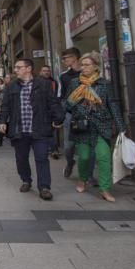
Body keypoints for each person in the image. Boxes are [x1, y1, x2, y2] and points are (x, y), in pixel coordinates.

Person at [0, 58, 65, 200]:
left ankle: (44, 187)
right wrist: (2, 121)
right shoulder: (11, 87)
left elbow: (53, 103)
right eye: (15, 67)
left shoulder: (44, 84)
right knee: (21, 158)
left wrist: (58, 118)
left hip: (39, 128)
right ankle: (26, 180)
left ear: (28, 69)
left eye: (18, 67)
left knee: (42, 158)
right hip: (19, 129)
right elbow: (5, 106)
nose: (15, 70)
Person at [66, 52, 126, 202]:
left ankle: (105, 189)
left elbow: (112, 105)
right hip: (82, 126)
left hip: (101, 124)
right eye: (82, 65)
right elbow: (66, 104)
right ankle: (82, 178)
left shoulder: (104, 84)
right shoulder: (75, 83)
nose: (83, 68)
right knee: (85, 157)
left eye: (87, 65)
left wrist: (121, 126)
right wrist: (74, 104)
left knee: (104, 157)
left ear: (95, 66)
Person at [58, 48, 82, 177]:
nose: (63, 61)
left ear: (74, 58)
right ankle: (70, 162)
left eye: (65, 58)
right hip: (70, 113)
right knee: (68, 145)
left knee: (87, 145)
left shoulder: (86, 73)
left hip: (87, 113)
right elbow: (61, 96)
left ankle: (88, 175)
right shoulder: (63, 76)